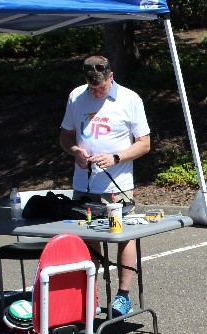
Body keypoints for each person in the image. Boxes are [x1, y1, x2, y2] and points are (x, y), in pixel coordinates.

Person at [59, 55, 151, 318]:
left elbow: (144, 143)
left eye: (101, 87)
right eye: (92, 88)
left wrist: (116, 158)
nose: (96, 91)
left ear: (111, 77)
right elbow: (65, 135)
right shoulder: (76, 96)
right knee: (87, 238)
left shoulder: (130, 99)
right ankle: (89, 294)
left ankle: (124, 296)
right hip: (83, 183)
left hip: (116, 186)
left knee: (122, 236)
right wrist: (75, 150)